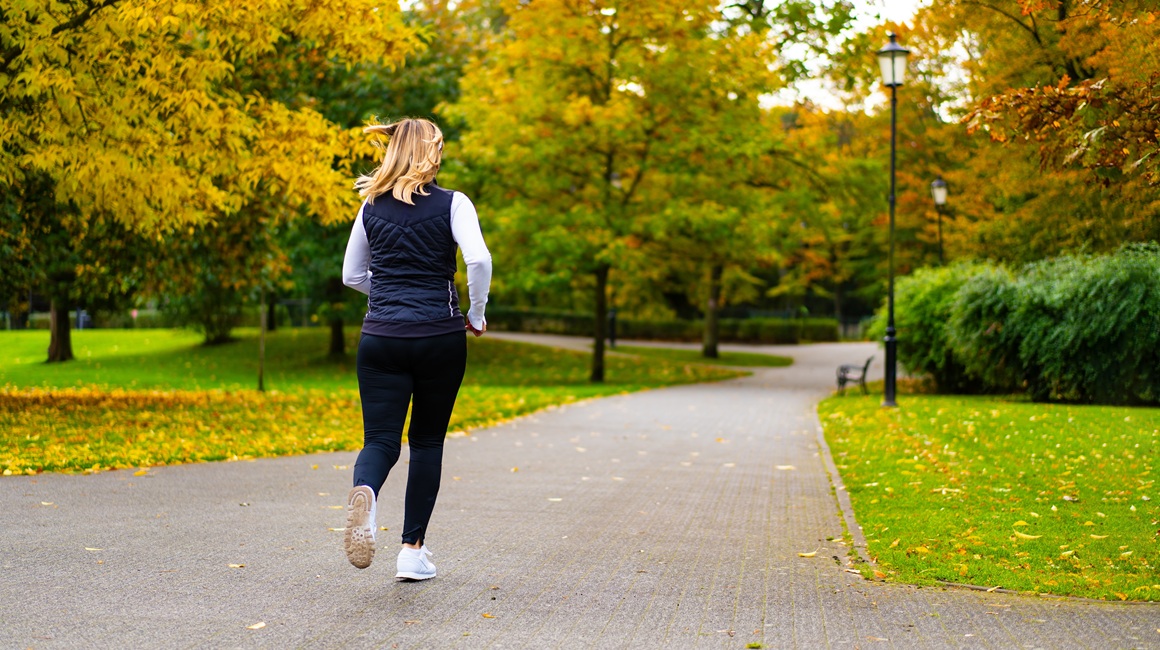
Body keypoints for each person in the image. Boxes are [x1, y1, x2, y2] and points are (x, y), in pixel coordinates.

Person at [340, 117, 491, 580]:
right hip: (438, 337)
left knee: (379, 441)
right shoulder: (454, 203)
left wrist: (386, 299)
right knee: (426, 441)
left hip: (380, 338)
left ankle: (365, 492)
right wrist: (477, 313)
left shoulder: (370, 206)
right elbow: (479, 259)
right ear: (432, 151)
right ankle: (411, 551)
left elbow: (351, 276)